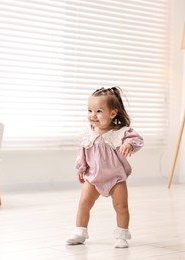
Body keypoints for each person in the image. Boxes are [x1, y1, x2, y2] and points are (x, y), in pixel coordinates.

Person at [65, 86, 144, 248]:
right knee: (84, 203)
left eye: (99, 111)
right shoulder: (88, 133)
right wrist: (81, 168)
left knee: (121, 206)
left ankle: (122, 234)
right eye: (89, 110)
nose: (92, 115)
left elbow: (136, 139)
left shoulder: (119, 132)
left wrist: (128, 144)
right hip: (93, 177)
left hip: (116, 179)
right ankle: (80, 231)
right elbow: (83, 152)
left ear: (113, 113)